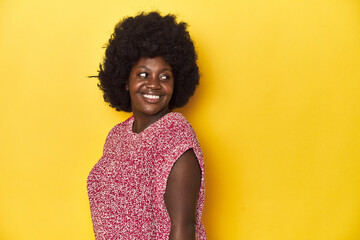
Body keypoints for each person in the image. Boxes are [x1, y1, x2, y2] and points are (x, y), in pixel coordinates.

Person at [87, 11, 206, 240]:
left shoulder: (176, 138)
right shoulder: (117, 136)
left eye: (165, 77)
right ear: (125, 80)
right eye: (143, 74)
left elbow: (183, 228)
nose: (154, 84)